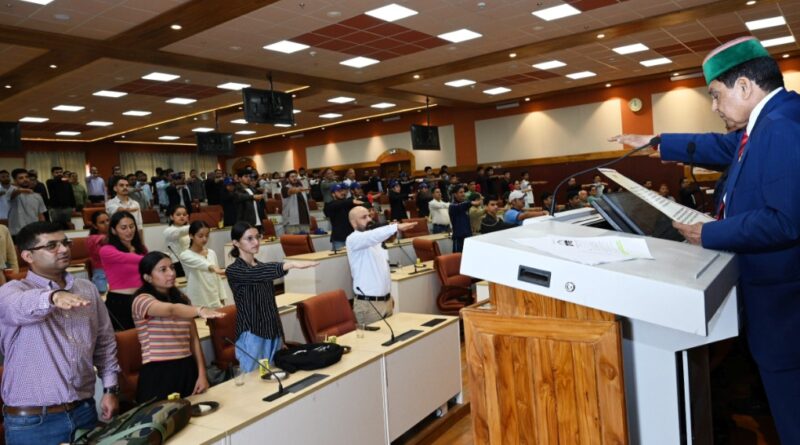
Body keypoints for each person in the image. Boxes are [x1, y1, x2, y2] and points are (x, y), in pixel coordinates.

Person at [609, 36, 800, 444]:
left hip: (786, 311)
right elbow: (726, 146)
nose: (713, 107)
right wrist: (658, 143)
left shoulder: (782, 127)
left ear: (745, 87)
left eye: (715, 95)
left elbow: (785, 221)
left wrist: (709, 232)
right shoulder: (769, 120)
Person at [0, 222, 120, 444]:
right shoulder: (12, 291)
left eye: (65, 243)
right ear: (28, 255)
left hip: (84, 411)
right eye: (52, 246)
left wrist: (110, 388)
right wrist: (53, 297)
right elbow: (18, 308)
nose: (63, 249)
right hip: (33, 422)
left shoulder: (87, 289)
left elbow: (105, 343)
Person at [226, 222, 318, 371]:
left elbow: (271, 305)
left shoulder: (262, 266)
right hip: (252, 333)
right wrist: (290, 265)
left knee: (275, 377)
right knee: (254, 382)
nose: (256, 242)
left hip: (272, 333)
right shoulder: (234, 270)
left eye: (257, 237)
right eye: (249, 238)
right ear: (236, 243)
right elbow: (255, 274)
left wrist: (280, 336)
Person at [132, 252, 223, 402]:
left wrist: (201, 374)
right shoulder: (141, 300)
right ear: (147, 277)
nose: (171, 273)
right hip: (159, 371)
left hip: (187, 367)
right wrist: (199, 310)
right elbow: (170, 310)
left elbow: (193, 339)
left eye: (172, 268)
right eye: (163, 270)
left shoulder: (181, 299)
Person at [346, 206, 417, 324]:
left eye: (369, 215)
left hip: (386, 301)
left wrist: (388, 295)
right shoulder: (353, 239)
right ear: (353, 223)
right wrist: (395, 226)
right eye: (364, 217)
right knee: (373, 341)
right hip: (369, 305)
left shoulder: (376, 241)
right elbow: (372, 236)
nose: (369, 219)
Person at [99, 211, 147, 331]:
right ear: (114, 230)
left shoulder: (141, 249)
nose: (129, 231)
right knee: (128, 342)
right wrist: (155, 259)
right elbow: (131, 259)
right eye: (123, 228)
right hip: (120, 302)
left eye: (132, 226)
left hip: (142, 299)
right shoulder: (107, 250)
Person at [179, 221, 226, 308]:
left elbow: (218, 278)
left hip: (214, 299)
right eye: (200, 236)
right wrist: (214, 268)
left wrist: (222, 297)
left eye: (207, 235)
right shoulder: (185, 255)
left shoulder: (211, 253)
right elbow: (201, 263)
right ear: (191, 235)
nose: (204, 239)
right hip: (197, 300)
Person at [8, 168, 47, 238]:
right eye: (21, 178)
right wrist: (22, 190)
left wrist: (43, 230)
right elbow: (13, 193)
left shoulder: (37, 196)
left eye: (26, 177)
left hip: (34, 232)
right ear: (15, 181)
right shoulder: (11, 193)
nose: (25, 179)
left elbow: (41, 216)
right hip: (17, 233)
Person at [324, 183, 360, 251]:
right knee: (338, 260)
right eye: (338, 191)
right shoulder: (329, 205)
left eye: (342, 190)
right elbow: (337, 204)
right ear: (333, 194)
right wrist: (352, 201)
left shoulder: (347, 203)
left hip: (351, 237)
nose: (342, 192)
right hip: (339, 239)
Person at [449, 186, 483, 253]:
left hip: (468, 237)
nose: (463, 194)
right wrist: (471, 203)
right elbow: (460, 206)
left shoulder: (465, 206)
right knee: (458, 259)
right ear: (455, 194)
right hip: (459, 238)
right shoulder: (452, 206)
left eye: (464, 192)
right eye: (461, 192)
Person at [281, 170, 311, 234]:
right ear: (287, 179)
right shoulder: (285, 188)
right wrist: (299, 189)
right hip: (291, 221)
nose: (294, 178)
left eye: (295, 176)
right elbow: (291, 191)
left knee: (305, 242)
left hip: (304, 220)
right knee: (294, 241)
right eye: (292, 176)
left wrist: (301, 188)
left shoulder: (302, 188)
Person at [87, 210, 110, 293]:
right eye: (102, 222)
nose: (107, 224)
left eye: (108, 220)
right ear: (95, 226)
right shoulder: (92, 238)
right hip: (101, 274)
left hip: (115, 271)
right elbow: (106, 240)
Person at [164, 205, 190, 277]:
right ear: (171, 217)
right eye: (178, 214)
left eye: (184, 214)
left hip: (189, 261)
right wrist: (194, 226)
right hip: (176, 263)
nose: (182, 216)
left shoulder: (188, 230)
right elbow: (180, 231)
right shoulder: (168, 231)